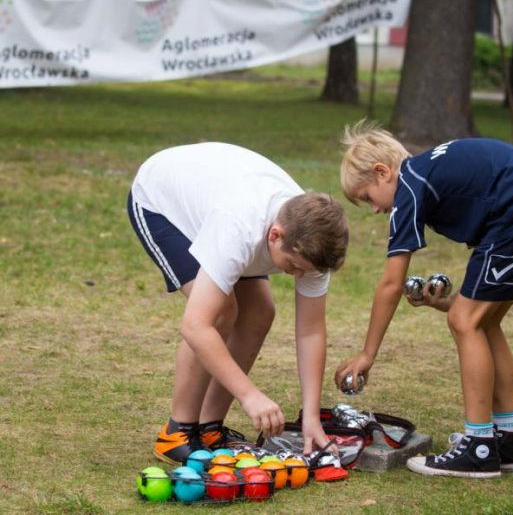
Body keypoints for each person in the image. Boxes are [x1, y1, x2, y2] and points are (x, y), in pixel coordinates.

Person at [334, 122, 513, 479]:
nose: (373, 210)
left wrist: (367, 353)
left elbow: (391, 283)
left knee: (465, 321)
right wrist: (446, 302)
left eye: (368, 198)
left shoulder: (409, 187)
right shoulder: (430, 172)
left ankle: (478, 448)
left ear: (382, 172)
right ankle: (509, 440)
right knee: (482, 320)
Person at [128, 142, 349, 465]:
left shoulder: (314, 244)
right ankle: (176, 432)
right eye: (295, 266)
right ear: (275, 235)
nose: (298, 275)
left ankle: (209, 428)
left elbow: (311, 332)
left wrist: (311, 418)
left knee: (260, 312)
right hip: (161, 201)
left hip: (220, 196)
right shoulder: (239, 228)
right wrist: (250, 396)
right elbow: (195, 325)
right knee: (221, 312)